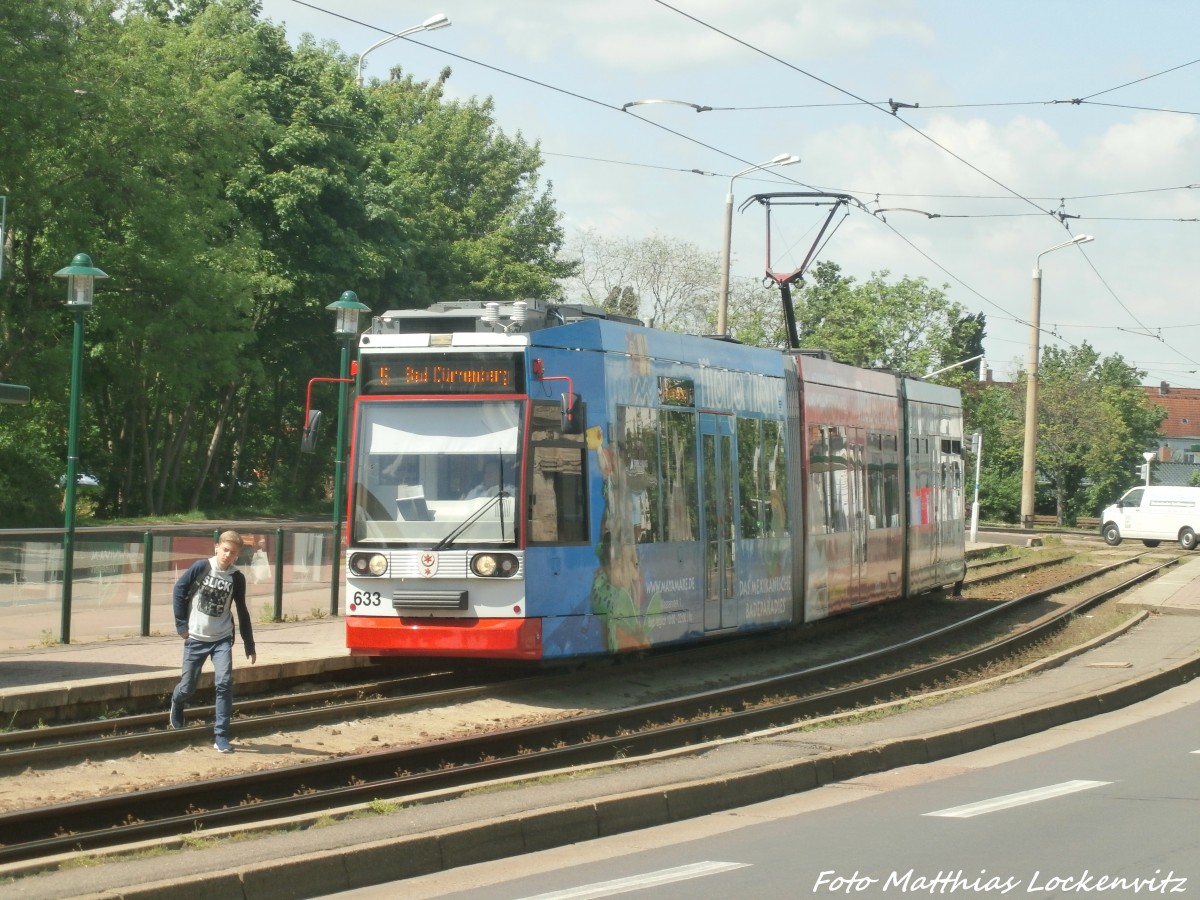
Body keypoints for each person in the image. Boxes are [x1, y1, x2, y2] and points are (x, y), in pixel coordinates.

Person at [169, 530, 257, 753]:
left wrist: (249, 644)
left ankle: (221, 735)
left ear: (238, 555)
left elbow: (242, 610)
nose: (228, 555)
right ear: (217, 547)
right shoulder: (202, 567)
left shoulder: (237, 578)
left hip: (222, 639)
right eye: (225, 550)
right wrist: (181, 626)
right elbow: (179, 590)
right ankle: (177, 702)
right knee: (188, 687)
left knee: (224, 683)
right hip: (196, 638)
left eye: (233, 553)